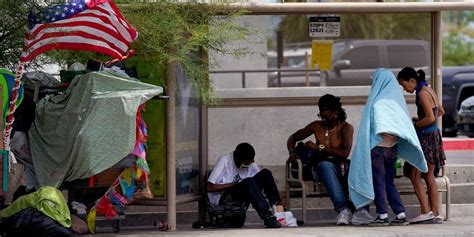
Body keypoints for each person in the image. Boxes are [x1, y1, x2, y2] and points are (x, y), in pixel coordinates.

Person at [348, 68, 428, 226]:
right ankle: (400, 213)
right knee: (389, 182)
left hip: (377, 148)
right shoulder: (397, 102)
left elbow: (380, 125)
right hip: (392, 149)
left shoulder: (379, 101)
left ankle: (383, 215)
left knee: (378, 182)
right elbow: (401, 126)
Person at [287, 94, 354, 225]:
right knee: (324, 165)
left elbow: (344, 153)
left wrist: (320, 148)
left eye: (327, 115)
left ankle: (353, 208)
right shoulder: (316, 126)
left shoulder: (346, 128)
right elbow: (293, 138)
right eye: (321, 115)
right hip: (318, 168)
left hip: (339, 166)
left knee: (338, 166)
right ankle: (344, 209)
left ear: (336, 112)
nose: (324, 118)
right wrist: (292, 152)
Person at [397, 67, 447, 224]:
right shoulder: (429, 89)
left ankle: (425, 212)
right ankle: (436, 213)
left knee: (414, 175)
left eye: (404, 85)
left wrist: (416, 124)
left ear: (412, 80)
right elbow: (441, 111)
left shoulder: (422, 93)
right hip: (434, 136)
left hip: (426, 138)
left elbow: (431, 117)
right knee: (429, 175)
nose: (405, 89)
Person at [207, 142, 282, 228]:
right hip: (224, 198)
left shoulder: (251, 164)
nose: (247, 167)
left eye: (249, 164)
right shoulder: (225, 161)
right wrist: (235, 184)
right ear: (237, 158)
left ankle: (278, 210)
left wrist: (278, 197)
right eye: (245, 164)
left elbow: (258, 185)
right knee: (248, 182)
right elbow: (209, 187)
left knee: (266, 173)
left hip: (242, 196)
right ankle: (267, 216)